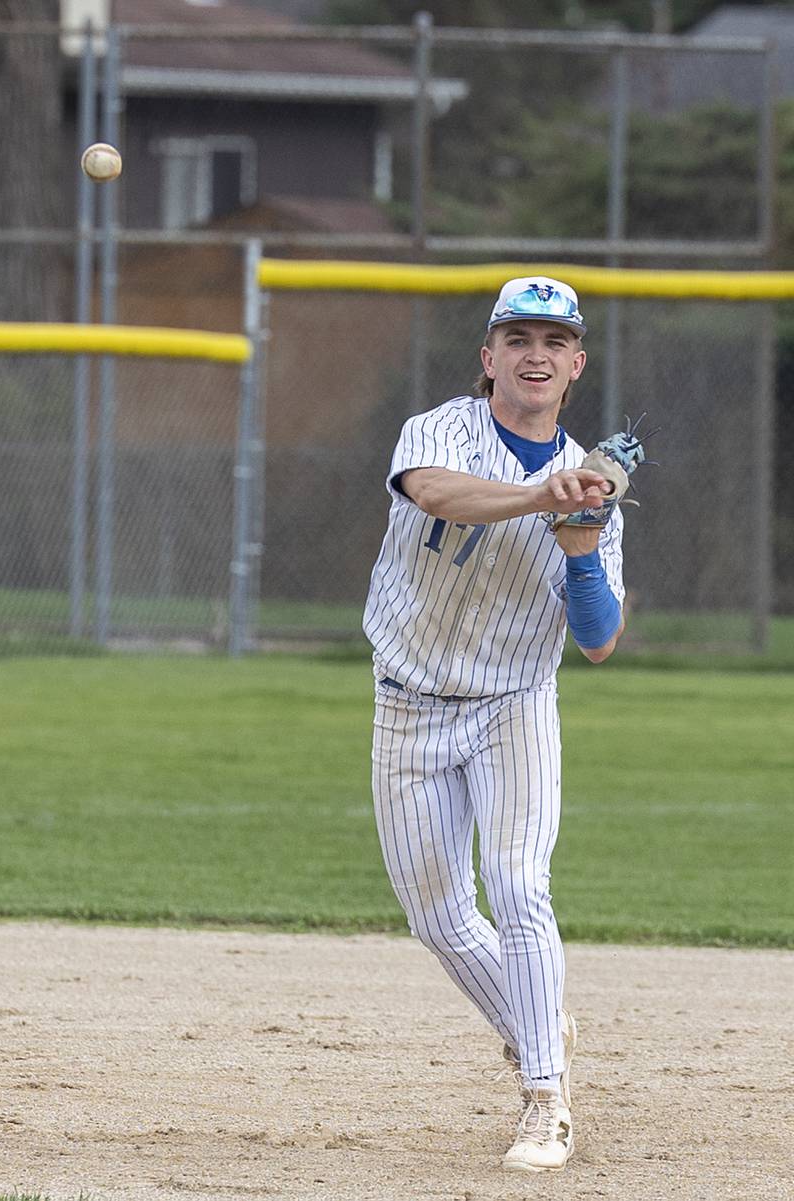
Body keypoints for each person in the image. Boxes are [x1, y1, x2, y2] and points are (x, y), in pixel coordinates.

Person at [363, 276, 626, 1173]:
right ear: (489, 356)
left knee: (517, 887)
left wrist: (582, 548)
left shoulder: (589, 482)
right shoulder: (440, 430)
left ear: (576, 364)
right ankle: (539, 1019)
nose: (535, 353)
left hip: (514, 704)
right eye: (518, 337)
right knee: (437, 915)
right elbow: (436, 493)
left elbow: (598, 639)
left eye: (554, 341)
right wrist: (542, 497)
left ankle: (546, 1098)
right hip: (407, 700)